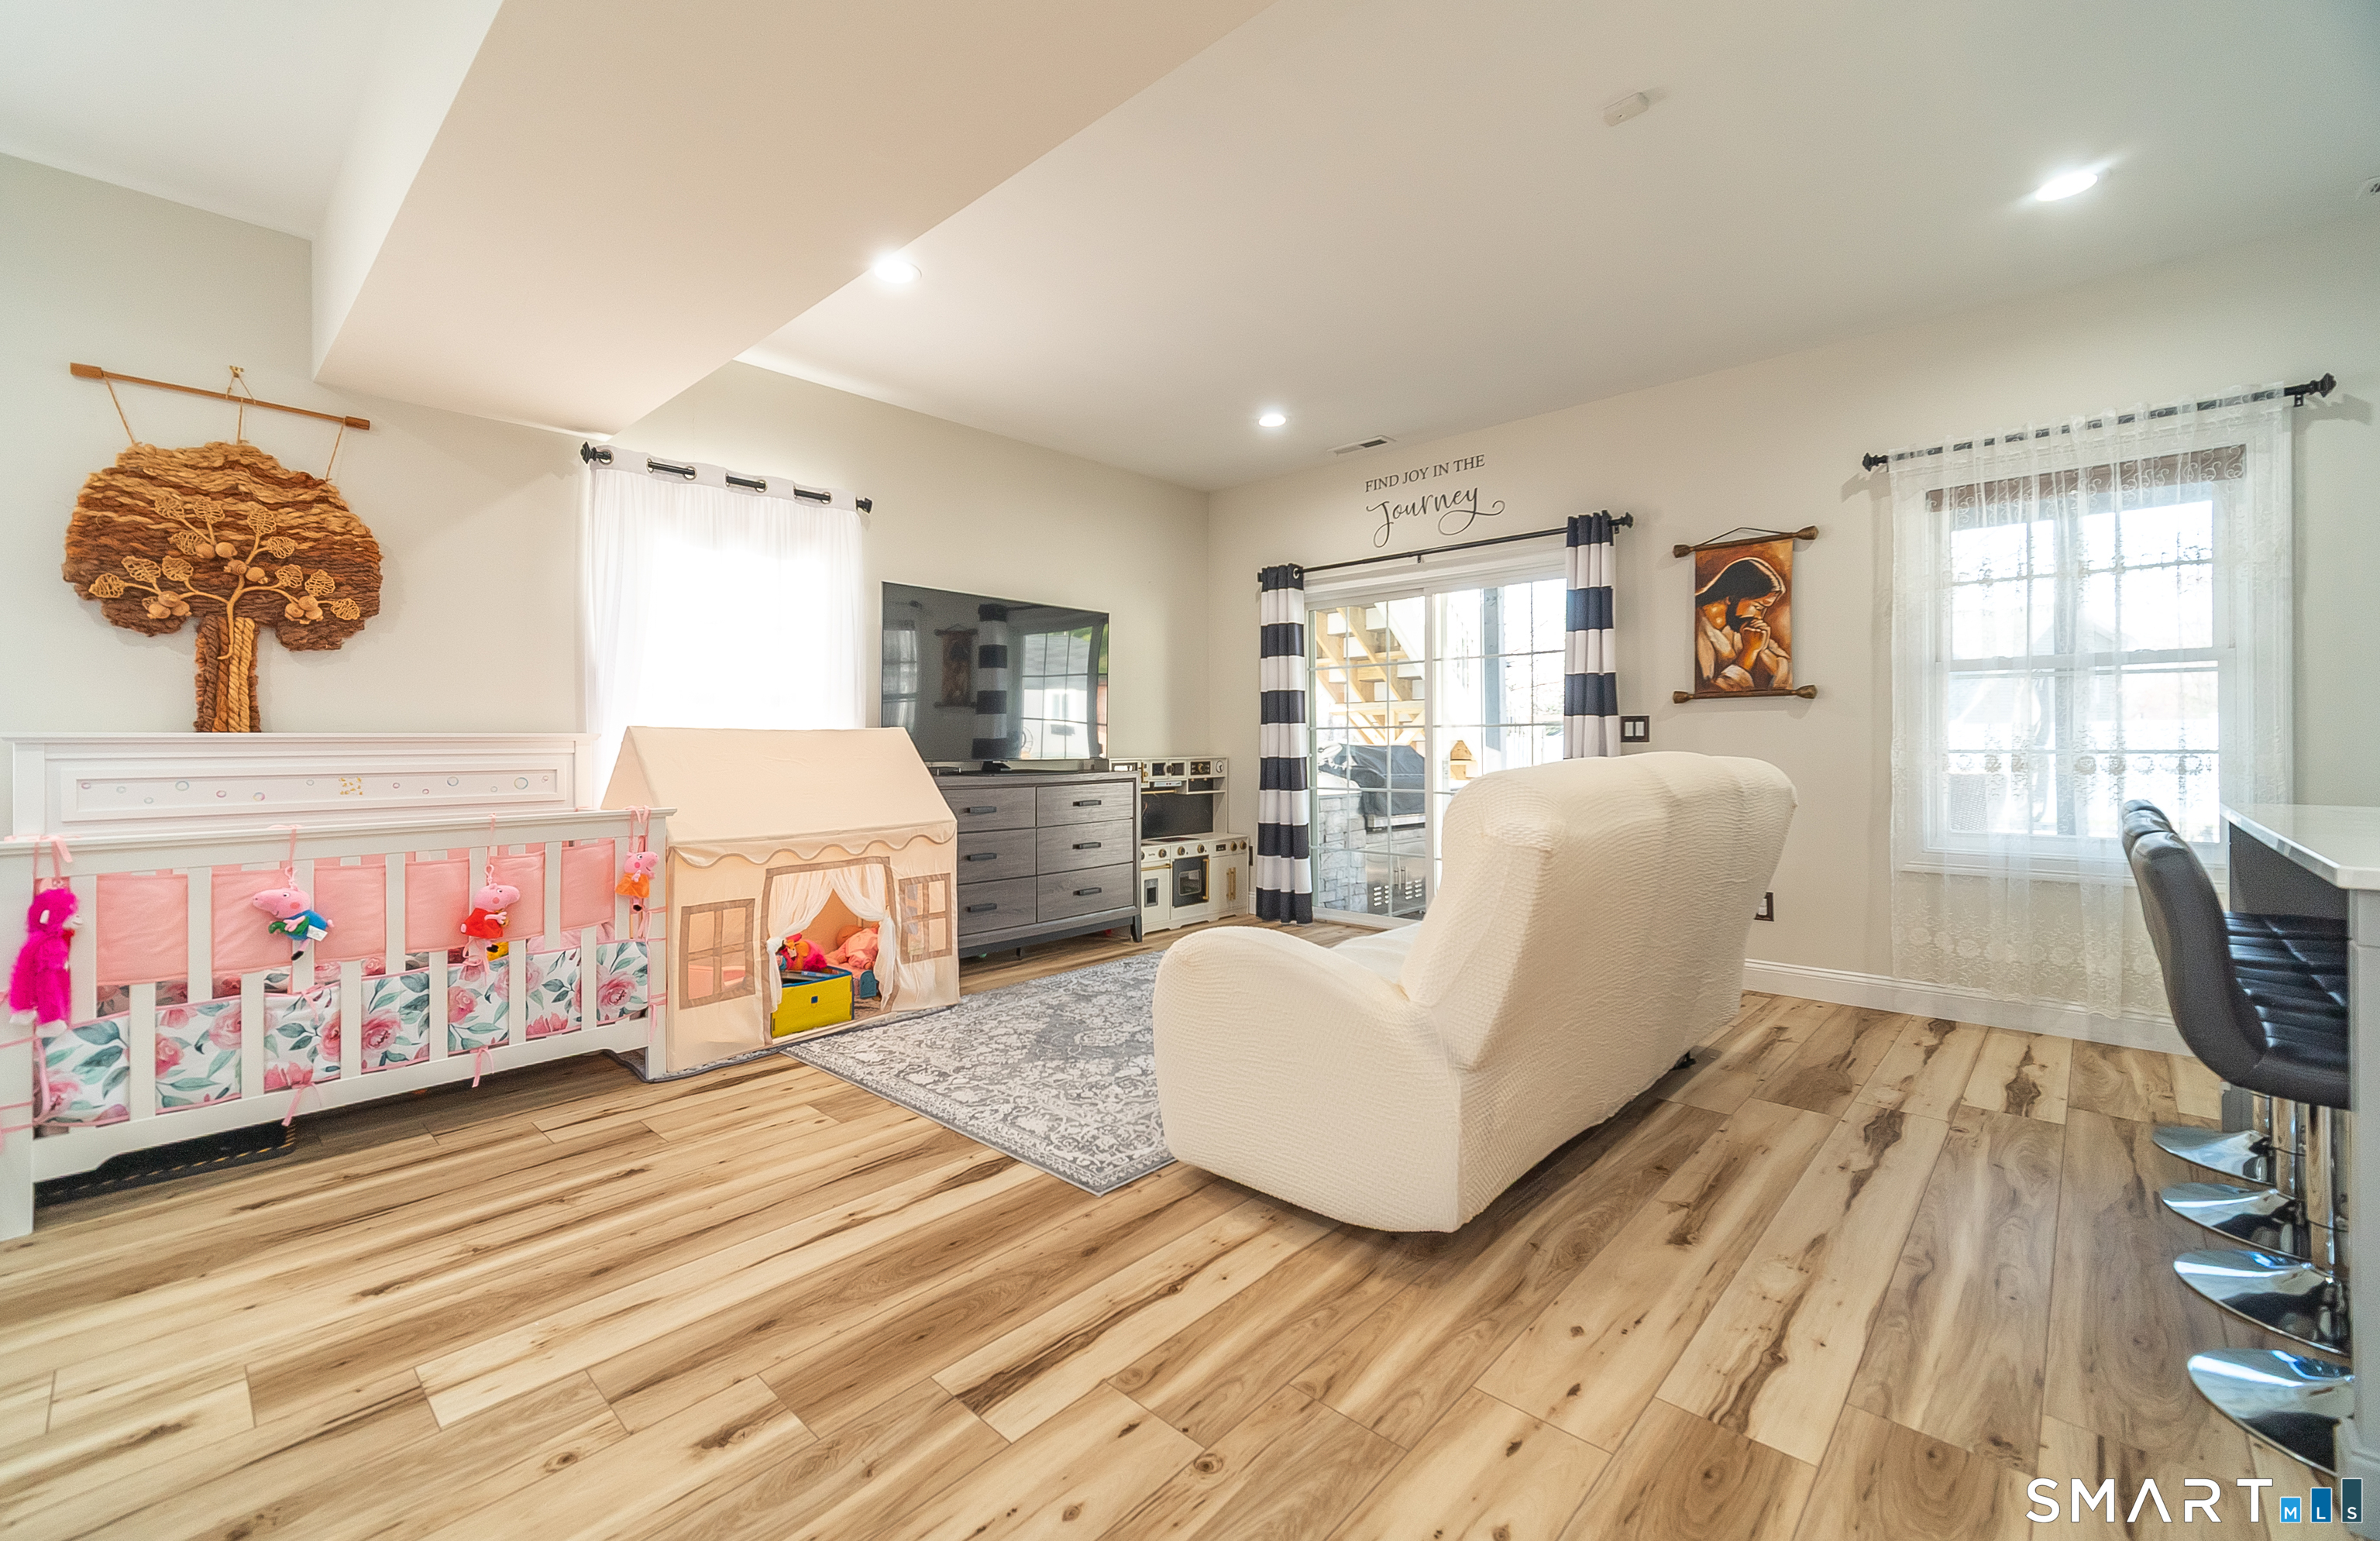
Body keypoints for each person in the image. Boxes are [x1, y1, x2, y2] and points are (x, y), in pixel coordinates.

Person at [1694, 556, 1792, 692]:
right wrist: (1749, 653)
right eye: (1758, 607)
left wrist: (1761, 650)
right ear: (1731, 598)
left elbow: (1790, 676)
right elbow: (1711, 694)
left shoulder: (1742, 624)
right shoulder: (1695, 628)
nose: (1759, 617)